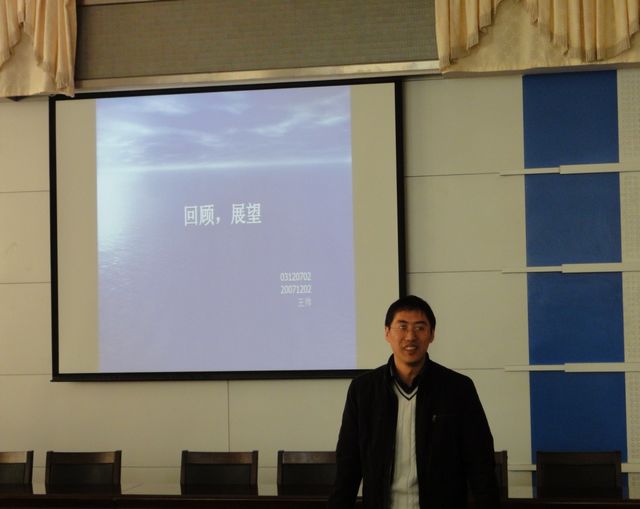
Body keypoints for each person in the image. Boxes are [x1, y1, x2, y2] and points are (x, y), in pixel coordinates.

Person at [328, 295, 499, 509]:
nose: (410, 336)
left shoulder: (458, 389)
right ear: (387, 332)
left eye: (420, 328)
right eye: (402, 327)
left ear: (432, 334)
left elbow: (480, 464)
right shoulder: (363, 390)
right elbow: (348, 466)